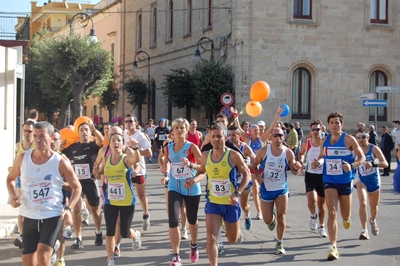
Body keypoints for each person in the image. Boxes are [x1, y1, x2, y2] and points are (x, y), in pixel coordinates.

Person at [6, 121, 82, 266]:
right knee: (28, 261)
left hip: (52, 214)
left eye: (42, 136)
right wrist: (14, 196)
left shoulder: (60, 161)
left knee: (43, 255)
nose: (38, 140)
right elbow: (10, 178)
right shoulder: (23, 159)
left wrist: (68, 209)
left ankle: (54, 251)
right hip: (29, 215)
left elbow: (77, 187)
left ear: (52, 137)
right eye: (35, 136)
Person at [186, 122, 250, 266]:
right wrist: (193, 180)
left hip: (230, 203)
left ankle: (236, 232)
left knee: (232, 239)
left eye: (219, 136)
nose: (216, 139)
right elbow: (202, 171)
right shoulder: (205, 155)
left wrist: (237, 193)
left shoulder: (234, 156)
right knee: (211, 236)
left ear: (225, 137)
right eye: (213, 136)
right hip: (213, 203)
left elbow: (247, 175)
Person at [313, 112, 365, 260]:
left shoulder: (349, 139)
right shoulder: (325, 140)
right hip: (329, 180)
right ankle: (333, 247)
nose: (335, 125)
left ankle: (347, 218)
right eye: (332, 122)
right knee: (332, 211)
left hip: (345, 181)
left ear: (341, 124)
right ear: (328, 125)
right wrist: (318, 163)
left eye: (337, 122)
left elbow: (361, 157)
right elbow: (322, 157)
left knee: (345, 215)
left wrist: (352, 165)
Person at [252, 127, 302, 255]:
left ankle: (279, 242)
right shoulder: (264, 151)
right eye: (275, 136)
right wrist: (257, 176)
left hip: (281, 188)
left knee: (282, 216)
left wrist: (296, 167)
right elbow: (254, 164)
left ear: (283, 137)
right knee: (268, 220)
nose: (278, 138)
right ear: (270, 138)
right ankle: (271, 219)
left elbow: (294, 171)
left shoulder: (288, 153)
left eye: (280, 135)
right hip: (267, 189)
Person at [161, 118, 202, 266]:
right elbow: (166, 162)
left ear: (186, 130)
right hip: (174, 186)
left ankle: (194, 244)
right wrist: (166, 175)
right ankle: (176, 255)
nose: (179, 130)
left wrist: (191, 165)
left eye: (182, 128)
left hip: (191, 187)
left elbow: (203, 168)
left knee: (192, 219)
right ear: (172, 131)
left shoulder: (192, 147)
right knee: (173, 219)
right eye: (176, 127)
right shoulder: (168, 147)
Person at [98, 131, 142, 266]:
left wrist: (135, 148)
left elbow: (136, 160)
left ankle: (135, 235)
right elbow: (101, 171)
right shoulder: (106, 159)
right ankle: (110, 259)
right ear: (109, 144)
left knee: (124, 231)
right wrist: (97, 169)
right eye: (113, 140)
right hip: (110, 200)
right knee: (110, 230)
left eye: (119, 140)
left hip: (127, 201)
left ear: (122, 145)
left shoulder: (126, 158)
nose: (116, 143)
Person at [62, 119, 104, 249]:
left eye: (86, 130)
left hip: (91, 182)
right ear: (78, 133)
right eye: (82, 130)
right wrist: (59, 146)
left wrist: (94, 130)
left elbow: (101, 141)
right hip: (77, 184)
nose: (84, 132)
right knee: (77, 210)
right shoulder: (73, 147)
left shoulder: (93, 145)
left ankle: (98, 231)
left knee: (95, 210)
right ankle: (78, 238)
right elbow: (59, 156)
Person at [354, 127, 388, 240]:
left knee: (374, 207)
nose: (360, 139)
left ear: (368, 137)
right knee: (363, 202)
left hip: (373, 180)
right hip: (361, 179)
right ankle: (364, 231)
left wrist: (373, 164)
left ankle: (372, 220)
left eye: (363, 137)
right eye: (358, 137)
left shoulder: (374, 149)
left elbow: (385, 163)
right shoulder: (355, 150)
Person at [123, 114, 153, 231]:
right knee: (126, 194)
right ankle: (125, 218)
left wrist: (135, 151)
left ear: (136, 123)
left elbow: (149, 153)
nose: (129, 123)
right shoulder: (124, 134)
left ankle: (146, 215)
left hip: (139, 170)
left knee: (141, 195)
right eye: (127, 121)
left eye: (131, 121)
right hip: (126, 168)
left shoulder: (140, 136)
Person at [298, 121, 327, 238]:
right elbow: (301, 153)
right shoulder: (307, 143)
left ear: (321, 131)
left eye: (317, 130)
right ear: (310, 131)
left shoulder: (325, 143)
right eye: (313, 130)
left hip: (323, 176)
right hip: (310, 175)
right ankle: (313, 215)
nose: (315, 132)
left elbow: (326, 157)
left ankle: (321, 226)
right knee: (312, 201)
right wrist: (301, 162)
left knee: (321, 204)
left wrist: (319, 163)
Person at [228, 126, 256, 230]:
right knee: (231, 205)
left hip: (244, 181)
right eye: (229, 135)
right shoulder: (227, 147)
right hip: (231, 182)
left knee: (244, 206)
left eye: (233, 135)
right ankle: (233, 227)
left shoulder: (245, 148)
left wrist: (244, 165)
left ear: (239, 136)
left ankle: (247, 215)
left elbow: (255, 161)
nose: (231, 137)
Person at [13, 120, 36, 249]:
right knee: (22, 206)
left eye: (29, 131)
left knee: (32, 206)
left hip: (34, 180)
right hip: (21, 179)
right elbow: (16, 160)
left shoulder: (35, 146)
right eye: (25, 130)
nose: (27, 133)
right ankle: (22, 236)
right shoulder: (18, 145)